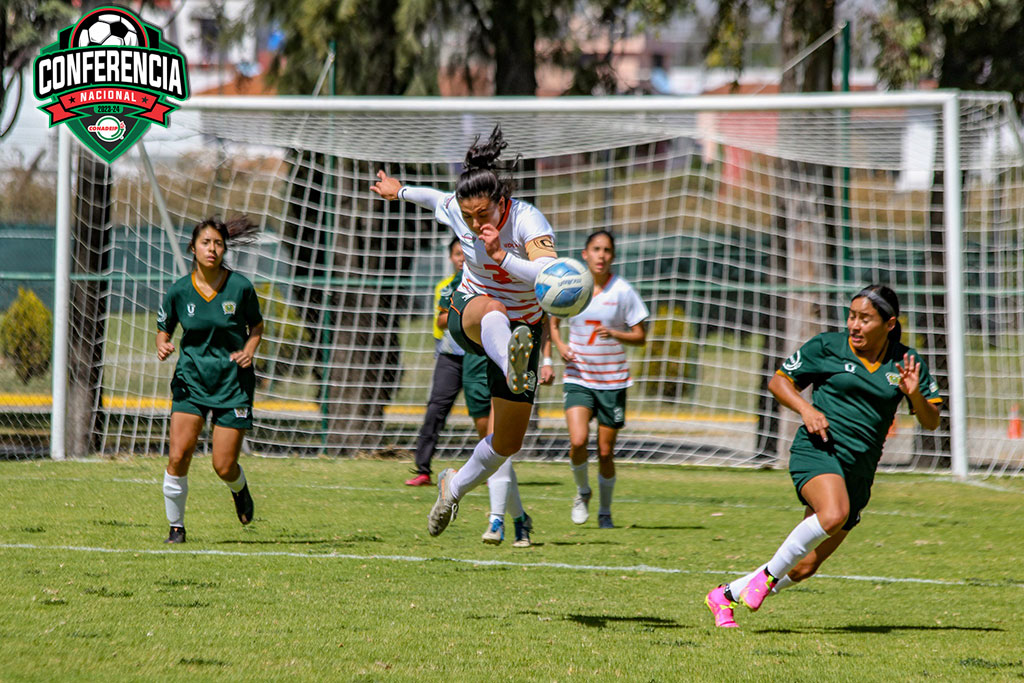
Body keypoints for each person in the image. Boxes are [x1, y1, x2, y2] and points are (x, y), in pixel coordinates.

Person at [704, 285, 942, 628]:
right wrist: (806, 409)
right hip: (819, 451)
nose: (855, 325)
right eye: (851, 316)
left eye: (865, 319)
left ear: (889, 324)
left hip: (859, 470)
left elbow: (931, 421)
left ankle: (724, 595)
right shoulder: (826, 347)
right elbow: (779, 382)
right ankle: (765, 577)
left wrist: (914, 394)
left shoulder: (906, 362)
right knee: (832, 514)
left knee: (803, 567)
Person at [371, 124, 557, 538]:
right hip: (470, 312)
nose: (474, 223)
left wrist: (500, 256)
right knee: (492, 307)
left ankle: (452, 488)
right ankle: (511, 361)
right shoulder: (458, 208)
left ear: (501, 202)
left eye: (483, 215)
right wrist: (398, 191)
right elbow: (434, 198)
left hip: (524, 326)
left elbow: (546, 275)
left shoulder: (528, 219)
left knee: (507, 443)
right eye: (468, 216)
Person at [155, 216, 264, 544]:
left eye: (217, 243)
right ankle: (176, 527)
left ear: (224, 247)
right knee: (178, 455)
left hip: (232, 384)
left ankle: (239, 489)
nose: (212, 249)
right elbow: (164, 330)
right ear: (193, 247)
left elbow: (256, 327)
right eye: (206, 243)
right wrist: (163, 344)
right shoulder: (179, 290)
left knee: (224, 465)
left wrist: (249, 349)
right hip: (191, 381)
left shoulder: (240, 288)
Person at [548, 231, 649, 529]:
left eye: (607, 250)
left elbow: (641, 336)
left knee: (605, 452)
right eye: (596, 249)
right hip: (578, 377)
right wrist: (560, 346)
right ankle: (582, 491)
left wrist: (616, 333)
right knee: (578, 441)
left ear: (613, 256)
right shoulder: (572, 287)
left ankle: (605, 510)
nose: (601, 255)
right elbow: (552, 321)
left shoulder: (623, 291)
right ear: (585, 254)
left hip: (613, 382)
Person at [405, 238, 491, 487]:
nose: (462, 258)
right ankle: (423, 469)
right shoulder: (447, 285)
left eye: (465, 253)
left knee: (482, 412)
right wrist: (463, 312)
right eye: (456, 254)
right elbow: (441, 321)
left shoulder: (486, 283)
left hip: (478, 355)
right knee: (436, 409)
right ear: (450, 258)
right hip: (450, 357)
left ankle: (489, 467)